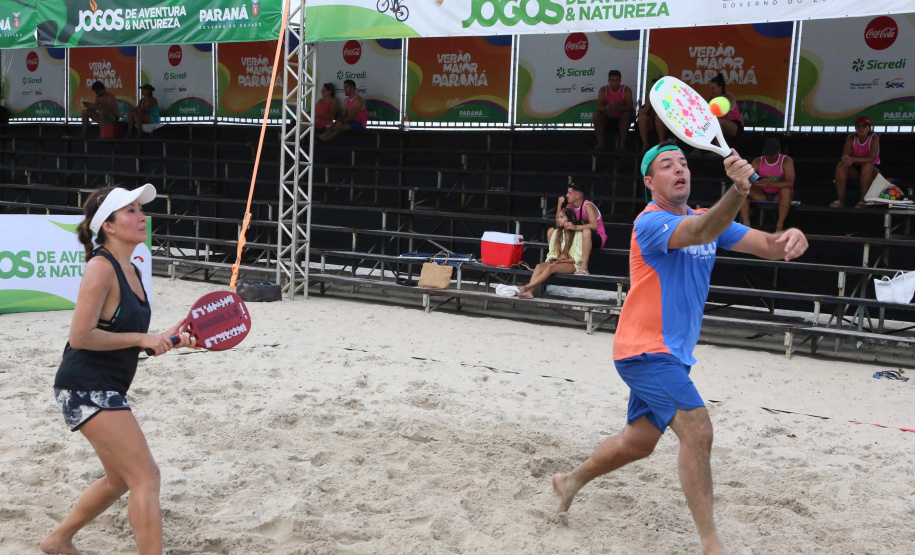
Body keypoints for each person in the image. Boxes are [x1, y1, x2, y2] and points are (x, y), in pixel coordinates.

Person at [551, 141, 808, 555]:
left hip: (674, 355)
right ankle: (711, 544)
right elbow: (701, 233)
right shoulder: (649, 223)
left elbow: (766, 245)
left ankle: (571, 480)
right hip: (644, 349)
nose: (678, 170)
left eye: (683, 163)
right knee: (698, 430)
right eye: (667, 166)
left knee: (638, 442)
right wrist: (740, 190)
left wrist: (791, 237)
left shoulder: (710, 217)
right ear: (651, 182)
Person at [40, 185, 196, 555]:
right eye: (130, 211)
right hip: (84, 384)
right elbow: (81, 336)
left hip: (104, 383)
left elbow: (127, 338)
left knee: (119, 479)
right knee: (147, 477)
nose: (142, 216)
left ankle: (57, 540)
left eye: (140, 210)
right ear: (107, 225)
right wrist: (143, 337)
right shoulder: (100, 267)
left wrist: (170, 337)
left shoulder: (133, 269)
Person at [496, 208, 582, 298]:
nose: (558, 219)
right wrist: (552, 260)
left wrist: (561, 260)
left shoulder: (578, 234)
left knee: (550, 267)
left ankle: (528, 287)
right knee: (538, 266)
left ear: (569, 219)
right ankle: (530, 292)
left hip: (571, 264)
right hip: (557, 262)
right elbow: (552, 253)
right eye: (558, 217)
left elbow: (578, 258)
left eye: (561, 217)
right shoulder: (556, 232)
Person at [739, 138, 796, 232]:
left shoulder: (786, 161)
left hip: (779, 195)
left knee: (786, 190)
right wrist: (754, 182)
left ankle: (780, 224)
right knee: (742, 189)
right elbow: (746, 178)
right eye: (767, 155)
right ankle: (746, 223)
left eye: (772, 155)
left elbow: (790, 183)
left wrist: (772, 184)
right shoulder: (758, 161)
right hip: (762, 193)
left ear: (779, 151)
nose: (769, 157)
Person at [555, 184, 606, 275]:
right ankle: (558, 261)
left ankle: (584, 267)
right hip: (580, 238)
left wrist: (575, 227)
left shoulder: (587, 205)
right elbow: (559, 223)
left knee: (586, 231)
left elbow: (594, 226)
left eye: (569, 193)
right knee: (555, 231)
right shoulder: (570, 206)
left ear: (577, 195)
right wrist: (559, 205)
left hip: (597, 238)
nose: (566, 195)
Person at [830, 116, 881, 208]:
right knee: (841, 166)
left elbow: (871, 159)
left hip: (873, 169)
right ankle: (840, 200)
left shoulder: (874, 138)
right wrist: (847, 160)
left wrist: (852, 159)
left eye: (864, 126)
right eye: (858, 126)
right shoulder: (851, 137)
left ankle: (863, 200)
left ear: (869, 128)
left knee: (867, 166)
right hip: (856, 169)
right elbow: (845, 157)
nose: (861, 128)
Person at [593, 70, 635, 151]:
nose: (614, 83)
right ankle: (600, 144)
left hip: (621, 119)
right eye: (612, 80)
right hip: (607, 118)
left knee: (626, 114)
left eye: (617, 80)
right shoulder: (603, 90)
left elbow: (630, 107)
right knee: (596, 115)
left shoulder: (626, 90)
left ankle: (622, 145)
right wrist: (607, 108)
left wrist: (618, 108)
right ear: (608, 80)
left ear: (620, 81)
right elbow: (599, 107)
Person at [708, 73, 742, 140]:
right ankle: (698, 149)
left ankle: (717, 150)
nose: (711, 91)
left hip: (735, 126)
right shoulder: (712, 98)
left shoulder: (728, 97)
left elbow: (723, 114)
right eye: (710, 88)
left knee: (717, 121)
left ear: (720, 88)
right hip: (719, 122)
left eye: (713, 88)